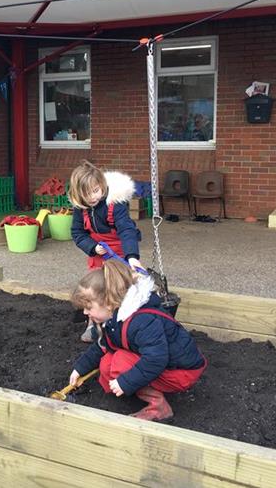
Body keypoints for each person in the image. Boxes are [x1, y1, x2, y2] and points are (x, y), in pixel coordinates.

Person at [68, 260, 206, 421]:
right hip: (163, 365)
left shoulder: (142, 321)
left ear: (108, 302)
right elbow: (102, 346)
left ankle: (159, 407)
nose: (85, 312)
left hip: (181, 372)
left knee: (120, 363)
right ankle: (134, 391)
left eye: (89, 307)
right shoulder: (115, 317)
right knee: (106, 364)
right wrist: (80, 369)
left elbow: (156, 359)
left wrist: (125, 382)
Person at [68, 161, 143, 341]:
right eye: (86, 194)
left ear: (101, 186)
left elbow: (126, 230)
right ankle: (93, 323)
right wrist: (92, 247)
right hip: (98, 254)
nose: (93, 197)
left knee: (119, 287)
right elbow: (77, 233)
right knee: (94, 288)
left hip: (118, 252)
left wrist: (132, 256)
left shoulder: (114, 204)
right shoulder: (81, 209)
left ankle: (121, 324)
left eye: (95, 191)